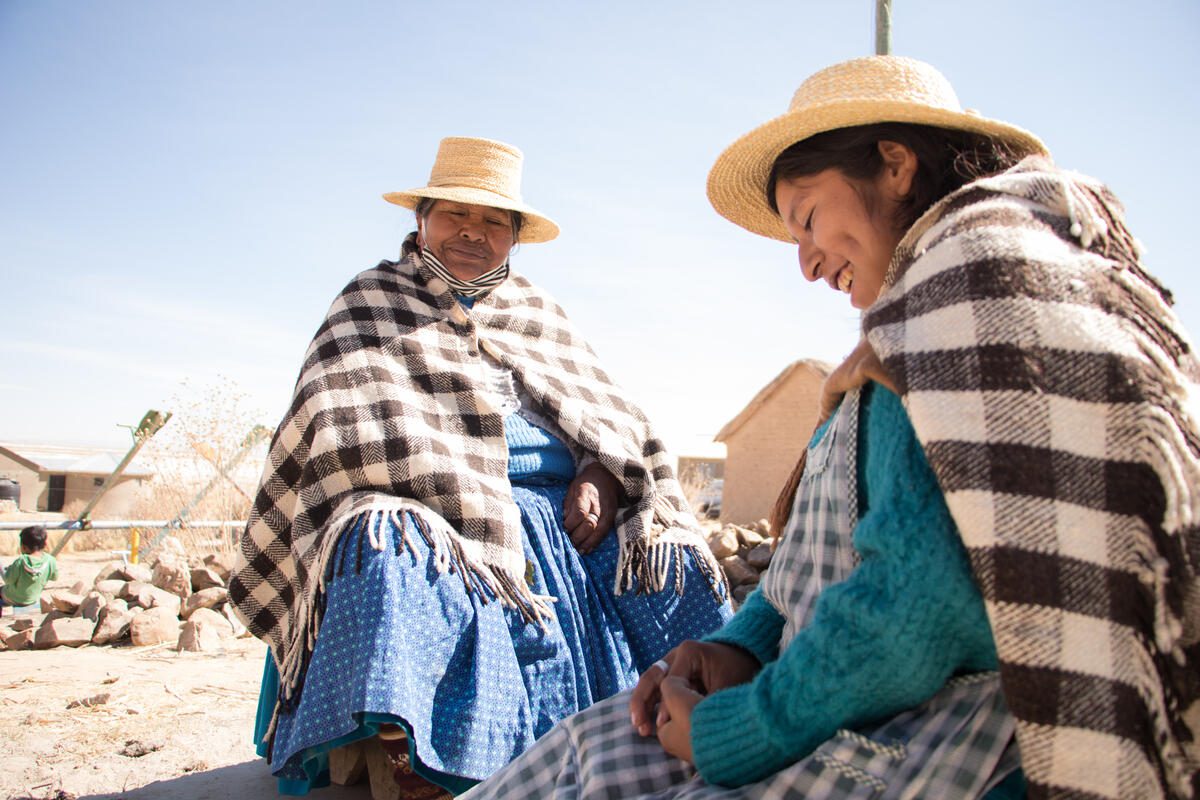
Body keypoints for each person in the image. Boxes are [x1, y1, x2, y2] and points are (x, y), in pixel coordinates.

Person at [460, 56, 1200, 800]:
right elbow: (817, 568)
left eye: (809, 218)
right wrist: (738, 648)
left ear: (896, 165)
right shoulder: (904, 343)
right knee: (587, 744)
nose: (809, 266)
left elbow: (917, 612)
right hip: (842, 701)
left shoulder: (972, 304)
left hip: (945, 733)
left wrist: (733, 729)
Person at [228, 137, 732, 798]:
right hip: (430, 511)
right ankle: (425, 766)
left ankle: (704, 731)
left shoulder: (538, 312)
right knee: (386, 544)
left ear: (516, 236)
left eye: (495, 220)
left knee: (669, 560)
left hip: (562, 509)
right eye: (455, 216)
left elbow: (615, 420)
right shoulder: (371, 299)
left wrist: (601, 476)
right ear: (421, 221)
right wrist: (452, 484)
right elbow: (336, 423)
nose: (474, 232)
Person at [1, 525, 58, 616]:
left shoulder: (21, 561)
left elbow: (8, 580)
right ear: (45, 544)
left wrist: (2, 569)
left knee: (2, 590)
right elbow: (54, 577)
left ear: (23, 547)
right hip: (33, 598)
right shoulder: (50, 560)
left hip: (13, 597)